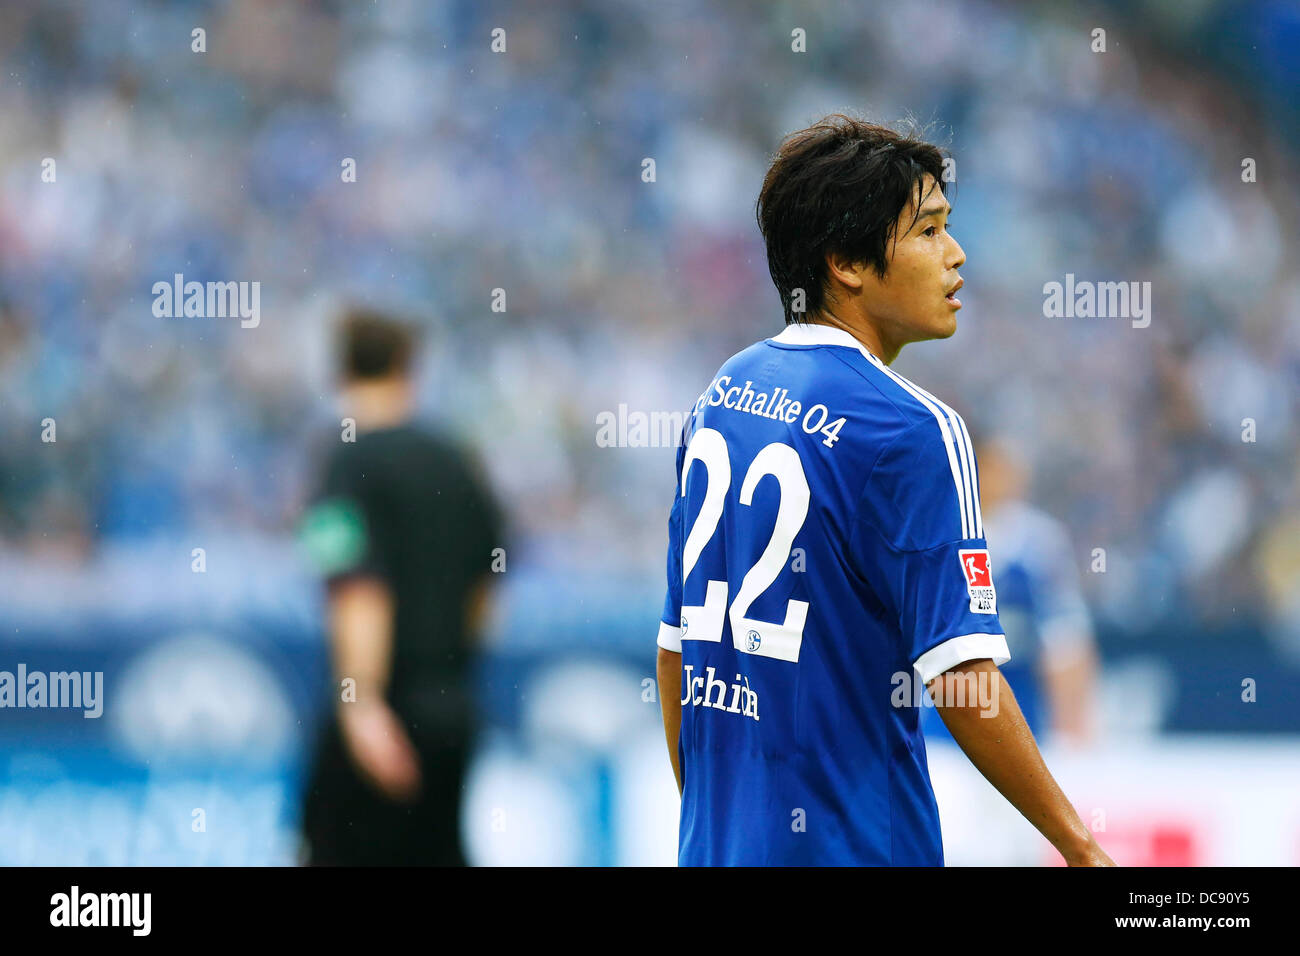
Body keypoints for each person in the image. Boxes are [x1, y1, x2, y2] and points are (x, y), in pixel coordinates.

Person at [654, 115, 1113, 866]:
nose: (957, 256)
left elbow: (677, 652)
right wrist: (1079, 844)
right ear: (847, 262)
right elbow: (962, 673)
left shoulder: (724, 391)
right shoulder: (912, 427)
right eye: (929, 231)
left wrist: (716, 827)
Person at [299, 308, 502, 866]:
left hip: (381, 713)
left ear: (339, 372)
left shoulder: (341, 465)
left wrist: (361, 702)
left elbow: (354, 588)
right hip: (450, 709)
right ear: (409, 368)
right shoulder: (460, 464)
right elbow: (487, 590)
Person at [923, 436, 1099, 749]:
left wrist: (1073, 726)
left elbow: (1066, 640)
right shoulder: (934, 533)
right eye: (992, 466)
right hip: (940, 716)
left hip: (1020, 710)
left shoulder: (1039, 543)